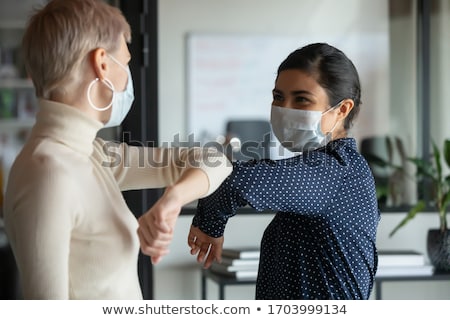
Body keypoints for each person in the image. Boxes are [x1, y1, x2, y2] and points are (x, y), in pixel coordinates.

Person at [1, 0, 231, 299]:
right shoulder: (48, 171)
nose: (128, 77)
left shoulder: (90, 153)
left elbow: (216, 160)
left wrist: (173, 199)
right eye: (125, 61)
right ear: (102, 64)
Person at [187, 43, 380, 299]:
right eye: (278, 97)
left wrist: (209, 225)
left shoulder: (337, 170)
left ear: (342, 109)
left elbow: (236, 181)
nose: (284, 109)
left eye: (301, 99)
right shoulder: (329, 168)